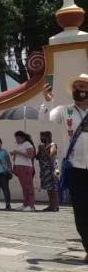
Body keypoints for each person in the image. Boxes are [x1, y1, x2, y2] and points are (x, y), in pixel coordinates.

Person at [39, 74, 88, 261]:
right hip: (75, 168)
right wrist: (48, 101)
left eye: (82, 86)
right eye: (75, 86)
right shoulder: (64, 111)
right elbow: (45, 119)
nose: (78, 90)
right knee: (81, 210)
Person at [11, 131, 37, 211]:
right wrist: (14, 155)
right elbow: (16, 156)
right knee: (24, 187)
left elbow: (30, 156)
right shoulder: (18, 145)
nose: (17, 140)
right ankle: (25, 204)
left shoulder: (28, 144)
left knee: (28, 187)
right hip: (18, 166)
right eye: (16, 138)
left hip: (26, 167)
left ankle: (31, 205)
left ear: (23, 137)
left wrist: (18, 152)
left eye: (18, 138)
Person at [37, 131, 60, 212]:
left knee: (53, 188)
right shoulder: (42, 146)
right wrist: (39, 150)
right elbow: (38, 157)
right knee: (48, 188)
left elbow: (50, 156)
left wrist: (44, 149)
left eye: (43, 136)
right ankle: (51, 205)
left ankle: (55, 206)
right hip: (44, 170)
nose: (42, 138)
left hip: (52, 170)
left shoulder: (53, 145)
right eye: (41, 136)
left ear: (48, 137)